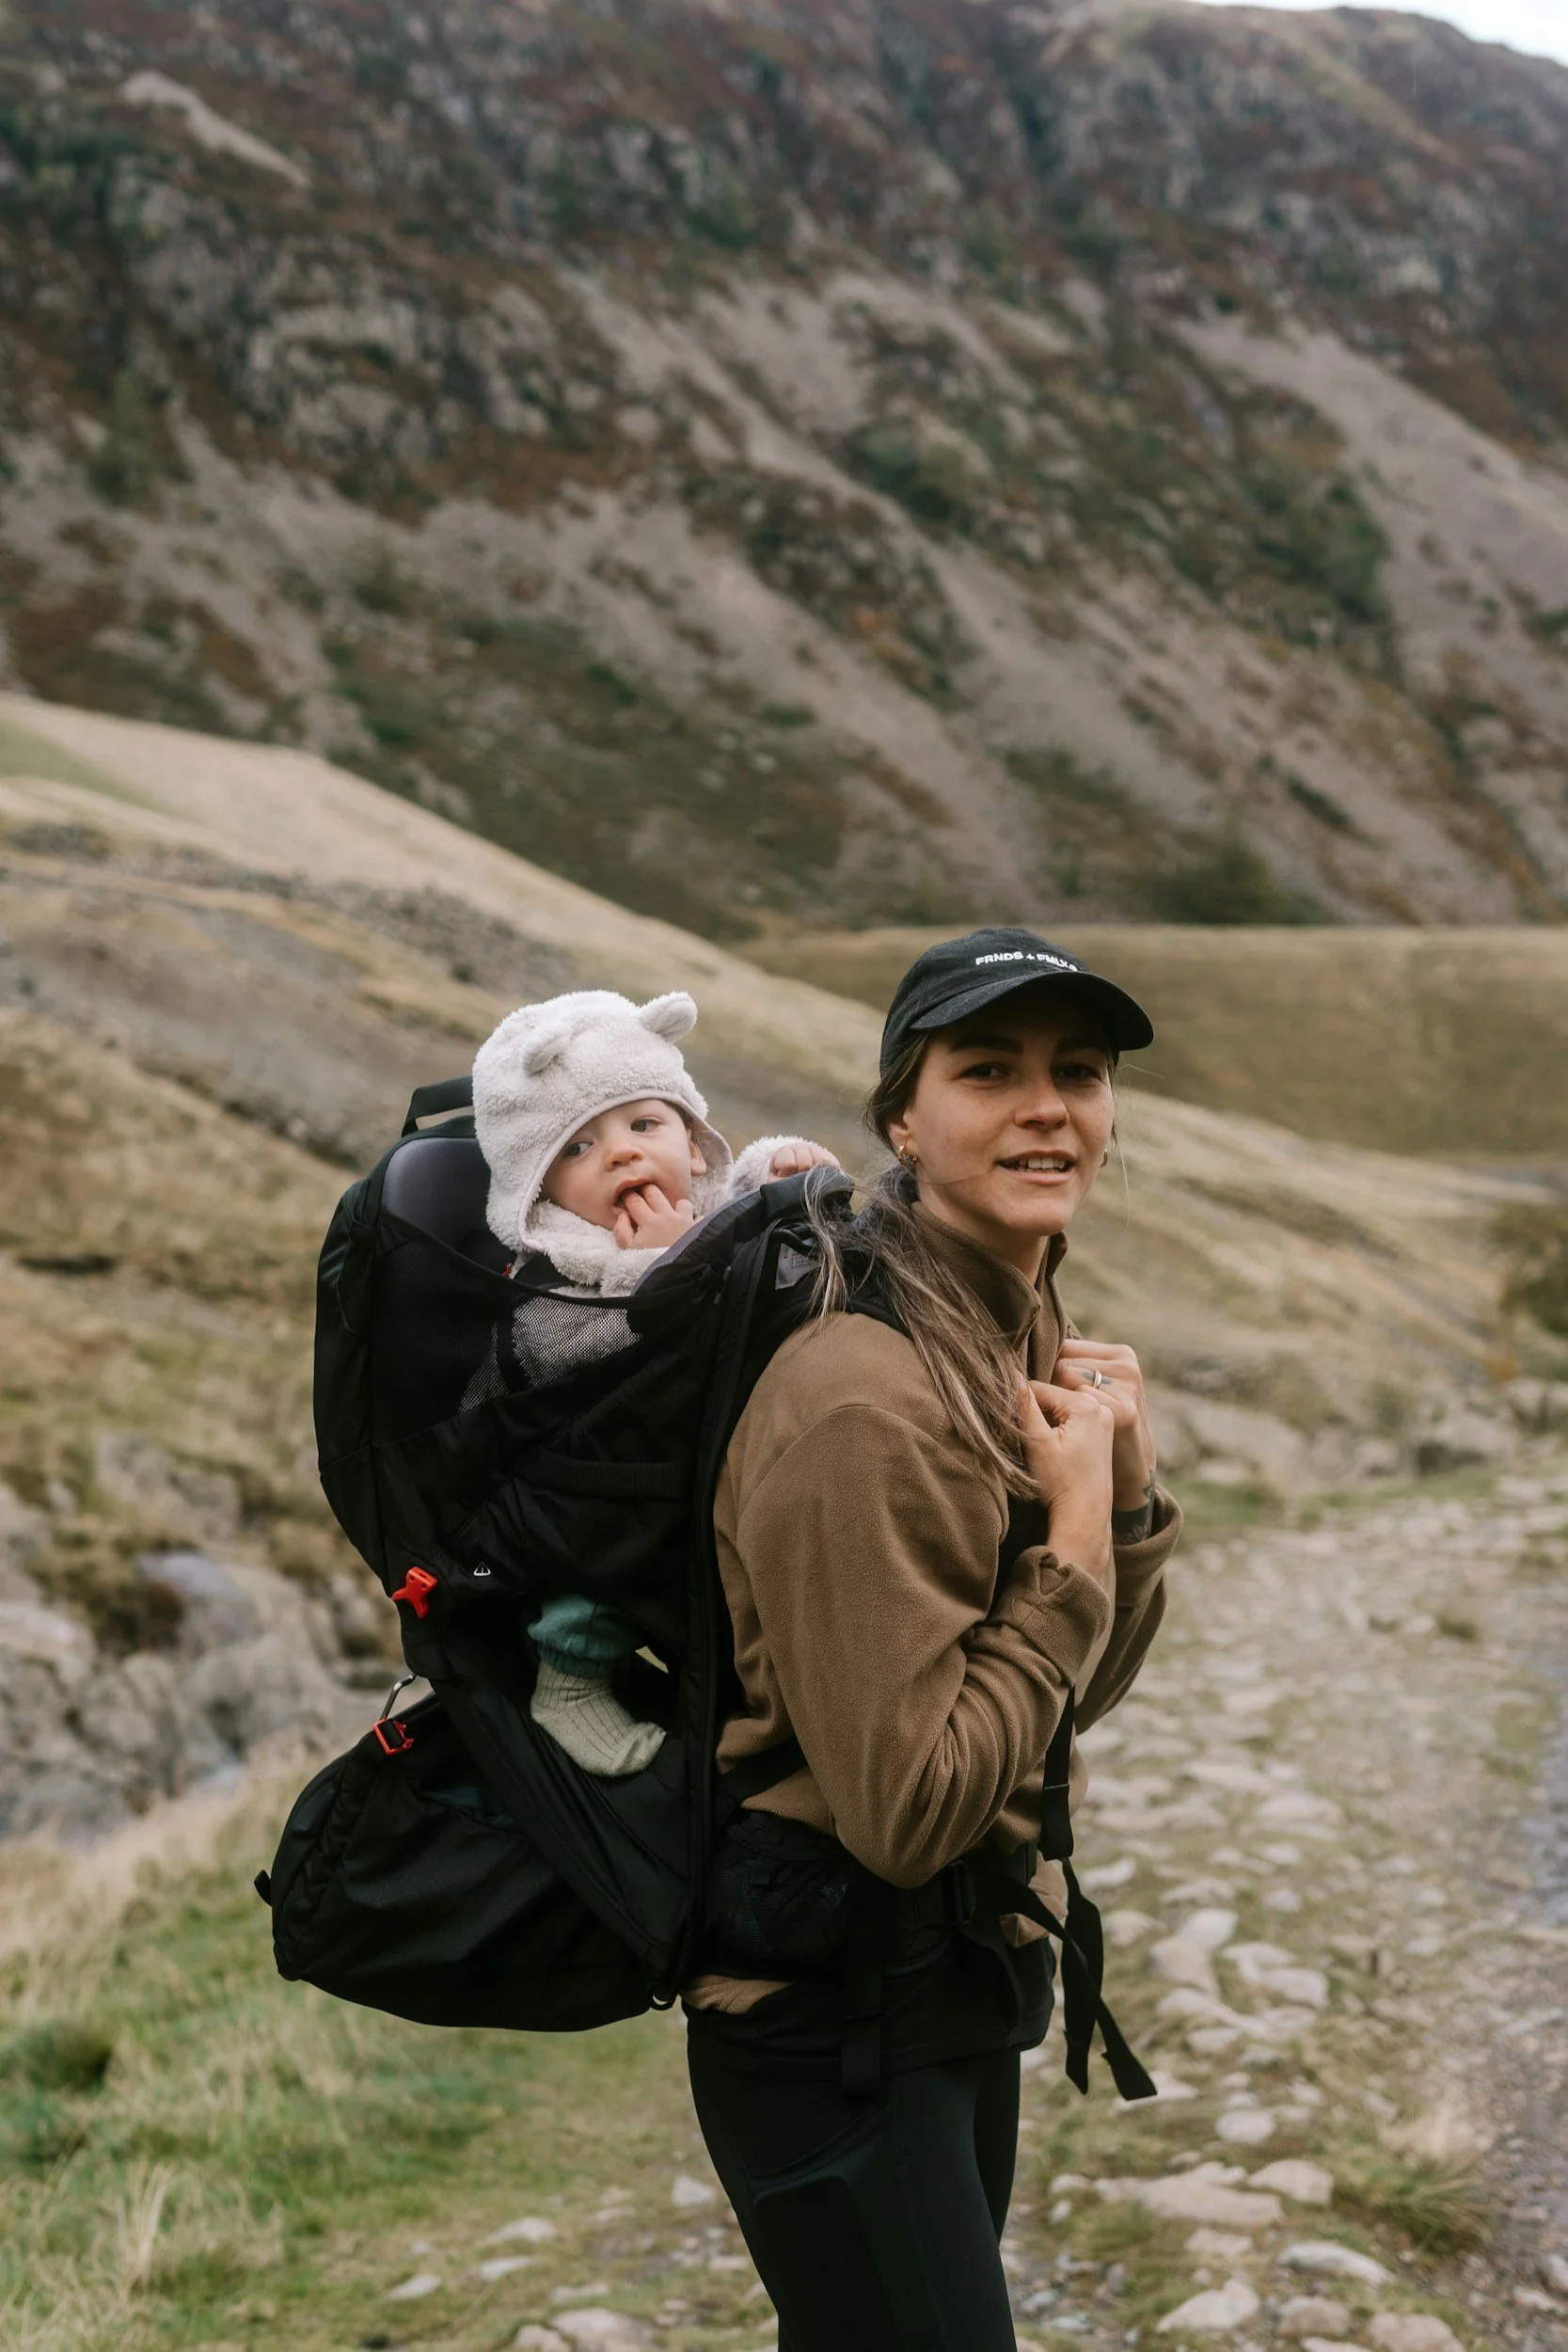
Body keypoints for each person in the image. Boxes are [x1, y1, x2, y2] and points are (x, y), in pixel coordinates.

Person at [683, 926, 1183, 2351]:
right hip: (833, 2019)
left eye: (1075, 1072)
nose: (1047, 1106)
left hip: (945, 1980)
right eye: (987, 1070)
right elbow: (905, 1808)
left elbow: (1057, 1699)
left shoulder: (999, 1325)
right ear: (899, 1115)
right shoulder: (863, 1393)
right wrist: (1075, 1547)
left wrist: (1122, 1494)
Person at [471, 987, 835, 1775]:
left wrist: (778, 1173)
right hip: (592, 1475)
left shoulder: (697, 1193)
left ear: (694, 1144)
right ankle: (569, 1677)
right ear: (538, 1192)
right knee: (608, 1557)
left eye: (646, 1124)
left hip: (708, 1447)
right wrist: (655, 1274)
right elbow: (559, 1350)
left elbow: (737, 1218)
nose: (624, 1154)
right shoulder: (558, 1264)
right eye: (578, 1148)